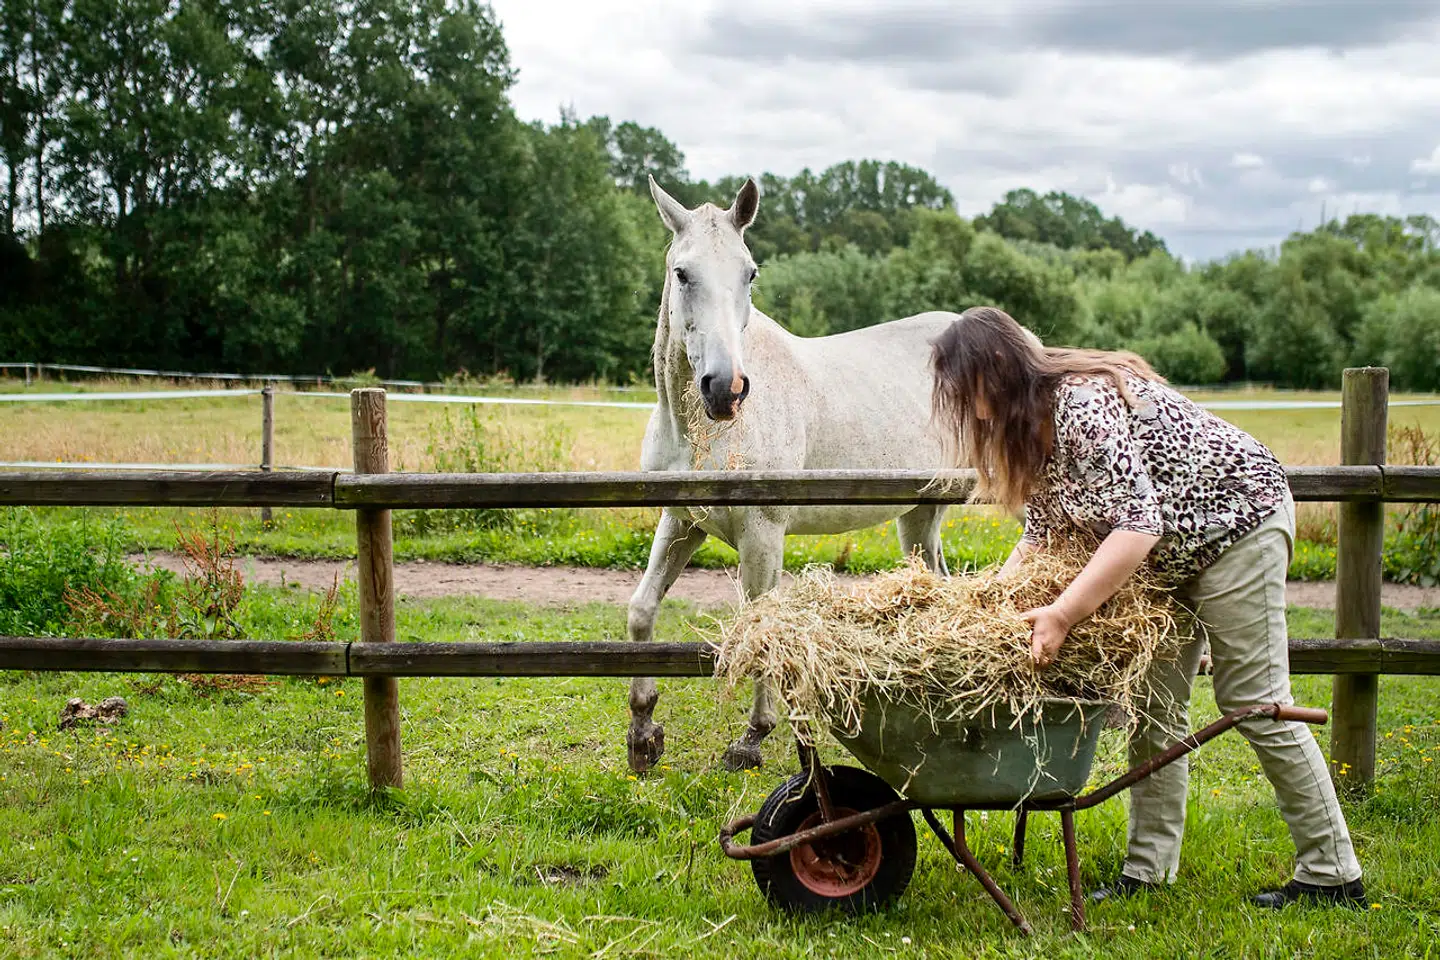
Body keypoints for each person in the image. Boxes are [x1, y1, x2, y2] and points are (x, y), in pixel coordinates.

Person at [928, 305, 1364, 908]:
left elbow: (1135, 527)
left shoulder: (1079, 405)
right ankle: (1148, 871)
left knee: (1255, 701)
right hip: (1166, 554)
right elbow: (1041, 533)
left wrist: (1060, 615)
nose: (959, 400)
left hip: (1236, 525)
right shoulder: (1030, 424)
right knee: (1154, 710)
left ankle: (1333, 872)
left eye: (962, 382)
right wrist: (988, 602)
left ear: (997, 364)